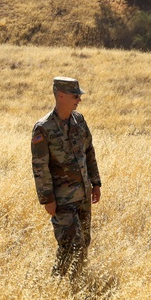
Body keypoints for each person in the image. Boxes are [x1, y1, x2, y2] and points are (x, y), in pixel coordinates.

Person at [31, 77, 102, 277]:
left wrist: (95, 183)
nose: (79, 99)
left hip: (83, 195)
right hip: (62, 199)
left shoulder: (79, 121)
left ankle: (77, 281)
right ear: (61, 96)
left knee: (84, 242)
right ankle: (58, 286)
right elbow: (40, 167)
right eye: (75, 95)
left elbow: (89, 152)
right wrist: (47, 199)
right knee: (69, 245)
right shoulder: (43, 128)